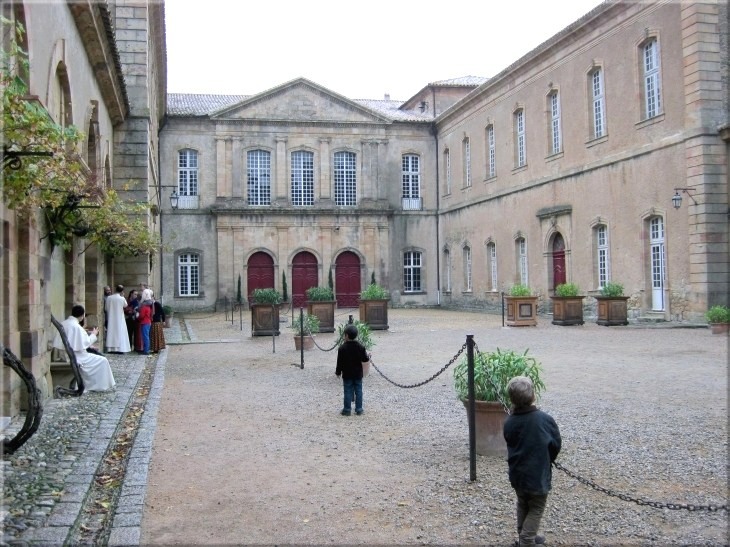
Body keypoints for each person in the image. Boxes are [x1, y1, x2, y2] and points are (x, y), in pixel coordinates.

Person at [503, 376, 562, 547]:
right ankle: (527, 541)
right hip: (537, 475)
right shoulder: (544, 420)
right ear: (533, 396)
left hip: (518, 474)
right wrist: (549, 458)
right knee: (536, 507)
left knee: (523, 503)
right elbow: (555, 443)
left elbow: (510, 440)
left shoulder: (510, 421)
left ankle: (524, 535)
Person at [52, 305, 116, 392]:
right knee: (103, 360)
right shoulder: (77, 327)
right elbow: (86, 342)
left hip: (65, 354)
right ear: (82, 316)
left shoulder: (64, 323)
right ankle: (100, 386)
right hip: (77, 356)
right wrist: (94, 334)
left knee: (98, 358)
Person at [335, 324, 370, 416]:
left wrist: (338, 372)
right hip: (358, 373)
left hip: (347, 374)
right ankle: (359, 409)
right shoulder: (360, 347)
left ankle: (347, 409)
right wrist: (368, 356)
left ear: (346, 335)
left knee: (347, 391)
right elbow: (365, 360)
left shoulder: (342, 348)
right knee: (358, 390)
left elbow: (340, 362)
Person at [104, 285, 131, 354]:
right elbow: (126, 305)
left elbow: (106, 308)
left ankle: (111, 348)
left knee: (111, 332)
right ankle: (120, 349)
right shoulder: (122, 298)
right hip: (120, 318)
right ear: (122, 291)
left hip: (111, 317)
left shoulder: (109, 298)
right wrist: (123, 296)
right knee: (120, 332)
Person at [137, 288, 154, 355]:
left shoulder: (144, 307)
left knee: (145, 337)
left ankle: (146, 350)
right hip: (147, 322)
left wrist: (137, 316)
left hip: (145, 322)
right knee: (146, 336)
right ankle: (146, 349)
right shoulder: (148, 307)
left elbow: (141, 316)